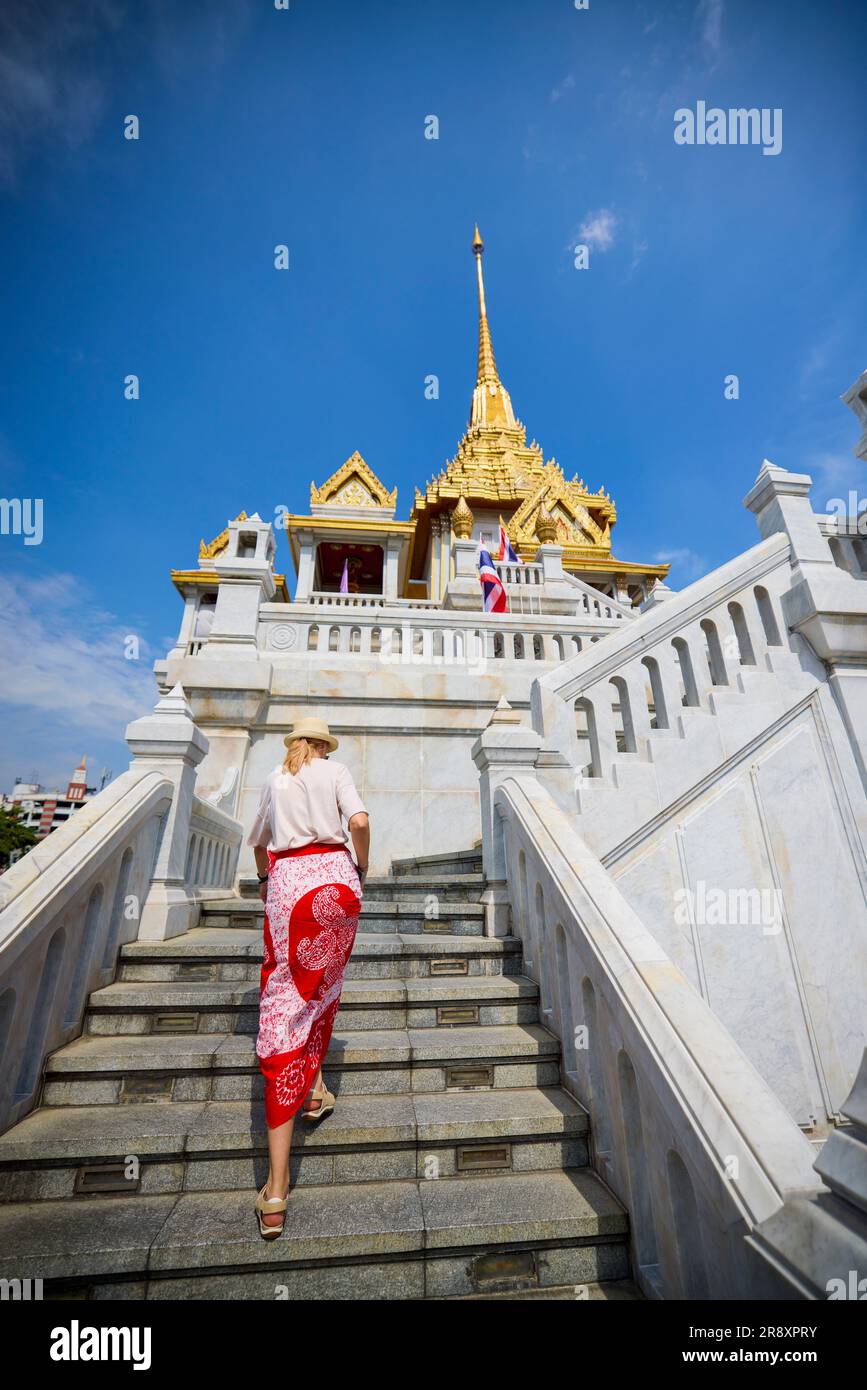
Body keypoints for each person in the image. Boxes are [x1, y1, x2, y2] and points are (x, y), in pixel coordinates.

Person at [246, 716, 370, 1238]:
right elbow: (359, 823)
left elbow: (257, 844)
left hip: (290, 881)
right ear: (323, 745)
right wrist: (360, 866)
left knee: (287, 995)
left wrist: (263, 878)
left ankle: (276, 1190)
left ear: (296, 744)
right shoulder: (337, 770)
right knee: (322, 988)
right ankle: (314, 1088)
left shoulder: (276, 779)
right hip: (338, 884)